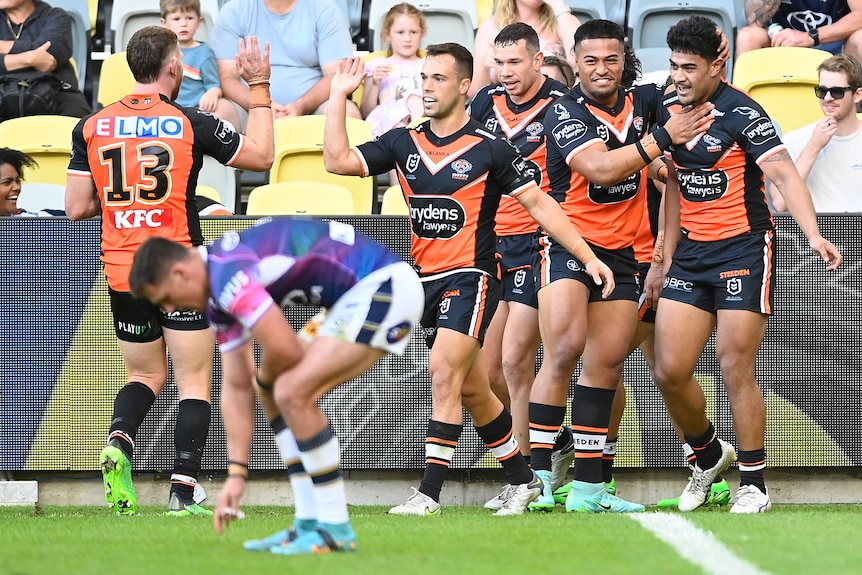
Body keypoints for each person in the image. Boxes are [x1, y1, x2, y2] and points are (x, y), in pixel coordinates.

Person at [324, 44, 617, 516]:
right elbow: (336, 161)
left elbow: (542, 205)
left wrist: (589, 258)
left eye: (439, 78)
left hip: (473, 278)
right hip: (425, 282)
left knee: (444, 373)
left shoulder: (491, 150)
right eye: (424, 78)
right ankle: (523, 481)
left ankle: (428, 494)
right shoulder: (403, 143)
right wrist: (339, 96)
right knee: (473, 390)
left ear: (464, 86)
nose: (427, 88)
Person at [65, 26, 274, 515]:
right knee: (194, 382)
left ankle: (119, 440)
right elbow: (262, 155)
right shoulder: (189, 120)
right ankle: (182, 493)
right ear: (174, 67)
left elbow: (76, 207)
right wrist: (259, 90)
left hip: (122, 270)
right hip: (179, 269)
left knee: (144, 374)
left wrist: (127, 203)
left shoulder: (92, 125)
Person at [128, 217, 424, 554]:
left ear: (180, 274)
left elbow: (285, 350)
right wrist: (237, 473)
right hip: (355, 297)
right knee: (275, 389)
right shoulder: (218, 293)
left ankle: (335, 528)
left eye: (165, 298)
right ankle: (307, 525)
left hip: (384, 287)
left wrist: (266, 381)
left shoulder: (228, 277)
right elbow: (237, 386)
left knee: (289, 391)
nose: (169, 308)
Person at [653, 15, 842, 514]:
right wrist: (663, 255)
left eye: (689, 67)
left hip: (743, 250)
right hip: (690, 255)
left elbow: (782, 173)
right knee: (669, 370)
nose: (679, 76)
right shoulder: (668, 110)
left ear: (718, 65)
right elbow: (672, 187)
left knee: (734, 365)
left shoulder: (743, 111)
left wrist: (814, 233)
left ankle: (754, 483)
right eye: (673, 65)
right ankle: (710, 455)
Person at [526, 18, 714, 513]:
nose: (601, 69)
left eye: (611, 58)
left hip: (626, 255)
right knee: (563, 351)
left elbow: (681, 133)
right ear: (577, 63)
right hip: (569, 245)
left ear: (624, 58)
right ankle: (538, 479)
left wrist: (663, 167)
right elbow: (600, 168)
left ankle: (589, 489)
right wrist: (659, 145)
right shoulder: (564, 112)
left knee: (604, 366)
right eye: (590, 60)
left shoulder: (647, 102)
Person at [468, 22, 573, 511]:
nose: (506, 72)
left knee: (514, 359)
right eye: (499, 63)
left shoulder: (563, 105)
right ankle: (559, 442)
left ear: (537, 59)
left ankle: (529, 478)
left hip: (539, 244)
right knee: (488, 373)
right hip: (492, 247)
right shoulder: (483, 103)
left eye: (515, 63)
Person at [209, 0, 361, 132]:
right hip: (249, 107)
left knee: (349, 115)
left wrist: (301, 106)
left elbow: (336, 75)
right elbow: (226, 77)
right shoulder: (234, 10)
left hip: (313, 109)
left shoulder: (325, 9)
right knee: (214, 115)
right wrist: (261, 104)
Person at [770, 53, 862, 212]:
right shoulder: (795, 139)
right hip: (815, 233)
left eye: (837, 92)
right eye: (822, 90)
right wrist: (813, 146)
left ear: (857, 95)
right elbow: (780, 203)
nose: (827, 98)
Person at [470, 0, 580, 98]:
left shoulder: (561, 20)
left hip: (551, 105)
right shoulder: (491, 25)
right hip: (503, 109)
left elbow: (579, 59)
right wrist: (485, 67)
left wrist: (559, 6)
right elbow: (474, 94)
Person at [0, 0, 91, 118]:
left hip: (55, 94)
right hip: (3, 92)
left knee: (79, 125)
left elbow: (48, 61)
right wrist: (30, 58)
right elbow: (40, 57)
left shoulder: (57, 16)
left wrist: (3, 48)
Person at [160, 0, 238, 127]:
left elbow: (214, 86)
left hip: (196, 115)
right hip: (168, 114)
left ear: (199, 22)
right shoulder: (161, 52)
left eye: (190, 18)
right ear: (164, 23)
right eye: (176, 19)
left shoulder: (204, 53)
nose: (184, 24)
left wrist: (213, 93)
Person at [359, 2, 425, 138]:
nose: (407, 39)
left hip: (421, 113)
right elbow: (365, 111)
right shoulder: (378, 65)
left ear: (422, 33)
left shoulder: (428, 64)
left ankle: (420, 131)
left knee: (414, 100)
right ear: (387, 34)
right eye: (400, 32)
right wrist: (376, 84)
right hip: (389, 119)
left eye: (413, 32)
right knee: (400, 129)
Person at [736, 0, 862, 61]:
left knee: (860, 38)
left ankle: (855, 109)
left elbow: (860, 14)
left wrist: (810, 37)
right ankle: (744, 109)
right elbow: (753, 20)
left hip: (834, 43)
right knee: (748, 37)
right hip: (782, 42)